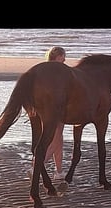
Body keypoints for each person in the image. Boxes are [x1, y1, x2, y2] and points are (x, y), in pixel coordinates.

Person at [28, 46, 66, 181]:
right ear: (57, 57)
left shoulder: (43, 70)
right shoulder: (57, 71)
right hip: (55, 108)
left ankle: (59, 171)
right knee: (56, 137)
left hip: (42, 108)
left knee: (59, 139)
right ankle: (36, 165)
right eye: (63, 58)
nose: (64, 61)